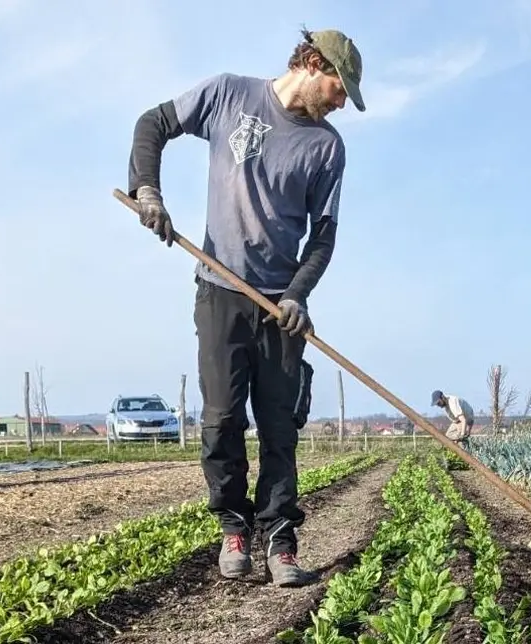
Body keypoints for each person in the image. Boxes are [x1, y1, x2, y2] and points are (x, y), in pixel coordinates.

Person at [125, 27, 366, 587]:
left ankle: (281, 542)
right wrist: (148, 193)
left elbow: (323, 237)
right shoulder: (228, 94)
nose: (339, 102)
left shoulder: (327, 148)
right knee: (221, 421)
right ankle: (234, 529)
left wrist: (297, 295)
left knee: (280, 428)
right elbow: (151, 125)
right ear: (311, 63)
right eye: (337, 87)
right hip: (218, 291)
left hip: (281, 307)